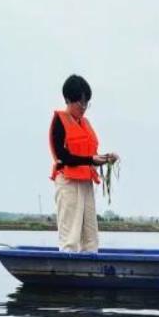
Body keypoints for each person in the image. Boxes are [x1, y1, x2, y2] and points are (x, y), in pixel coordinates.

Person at [49, 74, 118, 252]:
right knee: (70, 235)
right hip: (68, 182)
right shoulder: (60, 121)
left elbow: (90, 156)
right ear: (67, 99)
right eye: (80, 102)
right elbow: (62, 156)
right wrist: (90, 160)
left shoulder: (85, 123)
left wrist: (105, 158)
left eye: (86, 102)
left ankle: (90, 265)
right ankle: (67, 266)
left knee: (90, 234)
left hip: (85, 183)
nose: (84, 107)